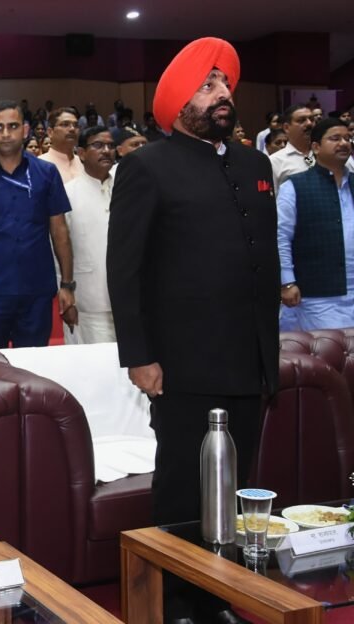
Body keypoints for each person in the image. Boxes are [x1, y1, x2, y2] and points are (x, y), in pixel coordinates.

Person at [107, 37, 278, 624]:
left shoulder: (255, 165)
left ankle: (216, 598)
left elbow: (263, 264)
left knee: (236, 488)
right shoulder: (146, 166)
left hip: (249, 359)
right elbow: (125, 270)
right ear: (178, 102)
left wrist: (269, 353)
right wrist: (139, 355)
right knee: (183, 489)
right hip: (181, 363)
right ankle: (176, 604)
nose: (222, 93)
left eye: (224, 83)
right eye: (207, 86)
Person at [0, 100, 75, 350]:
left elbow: (59, 231)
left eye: (12, 126)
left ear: (25, 130)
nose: (5, 133)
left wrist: (67, 284)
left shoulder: (47, 173)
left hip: (36, 291)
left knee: (34, 366)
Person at [277, 118, 354, 330]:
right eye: (335, 138)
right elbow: (281, 237)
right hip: (318, 296)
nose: (344, 143)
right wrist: (287, 282)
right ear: (316, 147)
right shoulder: (294, 186)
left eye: (348, 138)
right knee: (331, 349)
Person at [63, 126, 116, 344]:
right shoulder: (68, 193)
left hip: (130, 299)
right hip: (88, 301)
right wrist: (66, 294)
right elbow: (59, 249)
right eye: (98, 145)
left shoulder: (127, 188)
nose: (107, 151)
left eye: (111, 146)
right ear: (81, 153)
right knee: (95, 362)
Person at [270, 104, 315, 191]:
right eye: (301, 120)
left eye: (312, 119)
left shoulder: (325, 154)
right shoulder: (275, 161)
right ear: (286, 127)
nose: (309, 123)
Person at [39, 107, 85, 182]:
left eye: (76, 125)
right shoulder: (39, 165)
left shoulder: (84, 163)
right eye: (65, 124)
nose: (72, 129)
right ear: (50, 132)